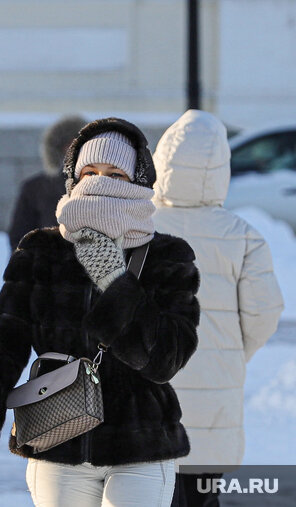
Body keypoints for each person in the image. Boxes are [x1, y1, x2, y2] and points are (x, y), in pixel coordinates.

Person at [0, 118, 201, 507]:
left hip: (142, 444)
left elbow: (167, 358)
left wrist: (116, 281)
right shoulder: (43, 250)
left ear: (139, 181)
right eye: (88, 172)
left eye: (114, 174)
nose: (98, 182)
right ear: (73, 179)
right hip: (56, 438)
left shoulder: (167, 256)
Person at [151, 109, 284, 507]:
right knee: (203, 493)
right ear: (220, 169)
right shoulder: (244, 237)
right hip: (215, 407)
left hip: (149, 402)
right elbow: (266, 313)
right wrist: (231, 354)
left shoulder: (140, 230)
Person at [7, 115, 87, 250]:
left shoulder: (107, 185)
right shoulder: (35, 188)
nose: (75, 152)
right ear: (59, 149)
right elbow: (20, 238)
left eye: (81, 145)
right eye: (69, 145)